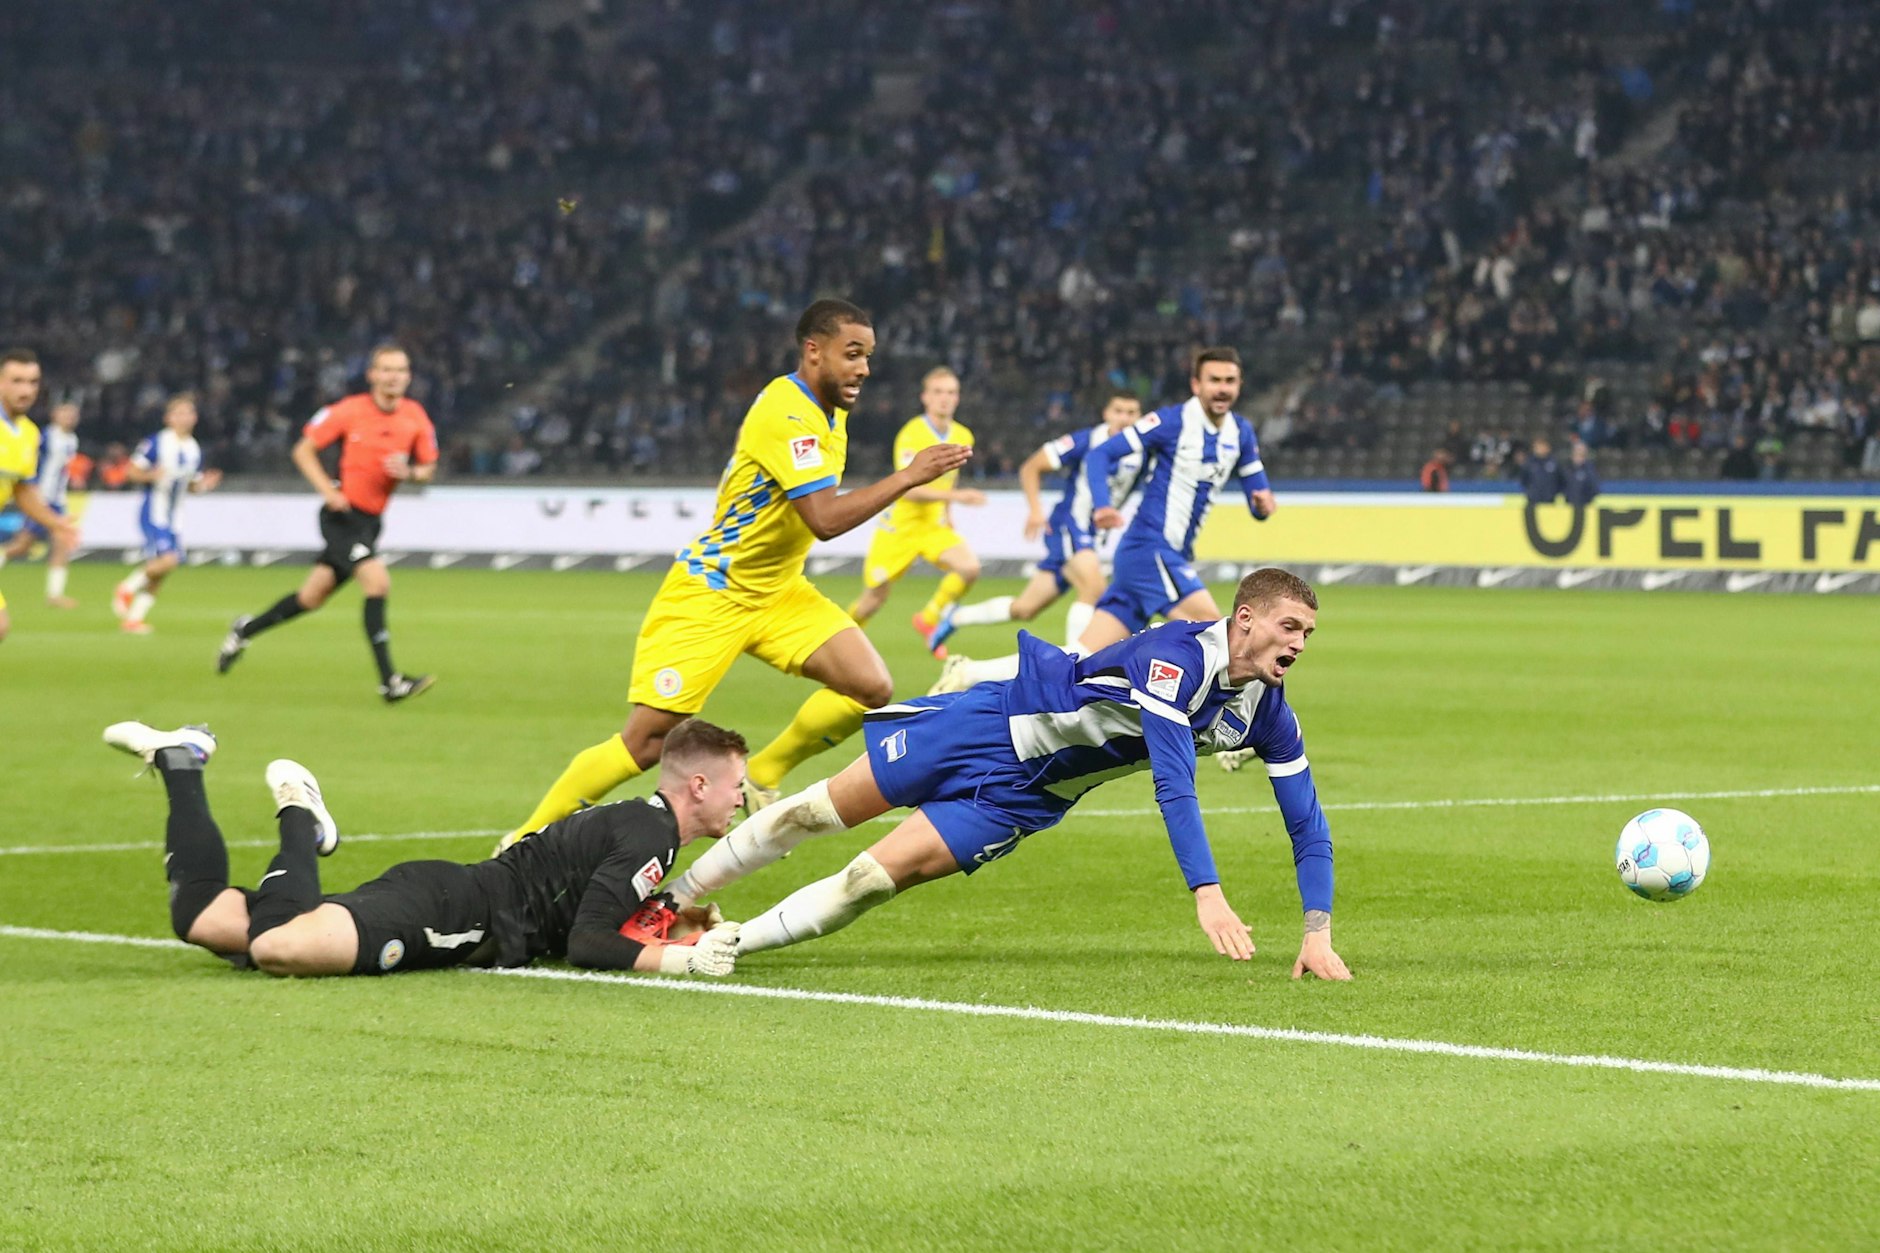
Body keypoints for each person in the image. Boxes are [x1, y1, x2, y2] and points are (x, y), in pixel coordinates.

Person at [668, 568, 1351, 980]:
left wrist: (1315, 931)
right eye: (1290, 626)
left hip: (1026, 796)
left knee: (873, 879)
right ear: (1246, 617)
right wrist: (1208, 891)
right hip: (990, 724)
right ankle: (674, 900)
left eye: (1307, 635)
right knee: (814, 812)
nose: (1298, 643)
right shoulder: (1177, 657)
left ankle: (728, 942)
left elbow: (1307, 823)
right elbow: (1173, 782)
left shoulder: (1267, 712)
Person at [500, 299, 972, 849]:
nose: (864, 368)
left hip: (778, 590)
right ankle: (522, 843)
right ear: (812, 351)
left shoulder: (831, 413)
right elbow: (822, 519)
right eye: (852, 354)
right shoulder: (786, 411)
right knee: (646, 743)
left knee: (871, 686)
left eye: (868, 356)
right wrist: (909, 476)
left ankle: (762, 777)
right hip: (714, 591)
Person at [102, 716, 749, 978]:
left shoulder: (643, 828)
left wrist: (666, 917)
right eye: (737, 785)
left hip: (447, 892)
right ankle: (300, 810)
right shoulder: (654, 837)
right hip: (454, 912)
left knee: (201, 915)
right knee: (279, 945)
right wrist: (678, 959)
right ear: (699, 784)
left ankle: (181, 764)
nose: (741, 798)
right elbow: (587, 942)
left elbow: (590, 903)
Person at [934, 348, 1274, 692]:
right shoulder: (1171, 422)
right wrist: (1100, 506)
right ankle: (1239, 734)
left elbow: (1258, 492)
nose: (1222, 388)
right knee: (1221, 636)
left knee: (1082, 659)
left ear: (1239, 385)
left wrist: (1262, 505)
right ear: (1195, 384)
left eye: (1229, 381)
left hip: (1154, 557)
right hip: (1150, 549)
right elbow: (1099, 454)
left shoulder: (1241, 433)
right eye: (1214, 380)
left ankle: (969, 673)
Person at [217, 344, 438, 702]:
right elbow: (302, 450)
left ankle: (245, 630)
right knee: (377, 583)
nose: (393, 377)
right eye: (386, 369)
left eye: (400, 370)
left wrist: (410, 472)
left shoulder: (415, 416)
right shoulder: (349, 411)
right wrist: (328, 492)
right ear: (372, 374)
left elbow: (428, 469)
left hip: (370, 523)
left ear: (408, 376)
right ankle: (390, 681)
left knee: (310, 597)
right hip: (342, 517)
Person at [940, 389, 1144, 650]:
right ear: (1106, 414)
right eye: (1118, 411)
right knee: (1094, 588)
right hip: (1068, 526)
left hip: (1091, 537)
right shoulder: (1086, 441)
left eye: (1131, 413)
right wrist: (1035, 510)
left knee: (1025, 608)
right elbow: (1030, 467)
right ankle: (1075, 668)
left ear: (1140, 417)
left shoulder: (1142, 451)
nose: (1124, 419)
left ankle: (956, 616)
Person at [848, 366, 983, 655]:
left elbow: (951, 475)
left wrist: (949, 514)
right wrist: (957, 497)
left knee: (969, 567)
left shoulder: (963, 435)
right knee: (873, 598)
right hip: (899, 527)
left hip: (933, 526)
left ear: (958, 398)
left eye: (950, 392)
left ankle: (928, 619)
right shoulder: (912, 434)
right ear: (925, 397)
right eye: (938, 392)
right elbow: (908, 488)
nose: (944, 399)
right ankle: (840, 639)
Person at [113, 394, 222, 635]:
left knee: (164, 569)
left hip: (175, 518)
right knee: (168, 560)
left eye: (189, 413)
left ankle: (133, 619)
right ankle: (126, 588)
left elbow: (192, 487)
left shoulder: (194, 449)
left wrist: (205, 485)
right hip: (154, 512)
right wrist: (151, 475)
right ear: (168, 418)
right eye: (179, 413)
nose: (185, 418)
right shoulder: (156, 443)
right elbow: (131, 472)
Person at [0, 349, 81, 643]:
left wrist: (57, 523)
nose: (26, 389)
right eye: (17, 380)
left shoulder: (29, 434)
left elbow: (22, 489)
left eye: (33, 382)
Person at [0, 401, 82, 608]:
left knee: (61, 543)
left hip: (57, 500)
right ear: (55, 415)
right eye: (65, 413)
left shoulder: (72, 439)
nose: (70, 418)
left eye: (73, 414)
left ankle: (55, 595)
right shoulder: (43, 436)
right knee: (22, 546)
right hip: (39, 499)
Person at [1520, 437, 1563, 503]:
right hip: (1533, 499)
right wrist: (1530, 492)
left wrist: (1553, 492)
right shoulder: (1529, 463)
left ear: (1547, 448)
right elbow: (1524, 480)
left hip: (1549, 499)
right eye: (1537, 447)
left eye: (1542, 446)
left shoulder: (1554, 463)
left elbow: (1560, 480)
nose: (1540, 449)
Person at [1562, 440, 1600, 505]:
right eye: (1576, 453)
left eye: (1581, 454)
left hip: (1585, 506)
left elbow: (1594, 488)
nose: (1578, 456)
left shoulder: (1590, 470)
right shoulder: (1566, 469)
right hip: (1568, 506)